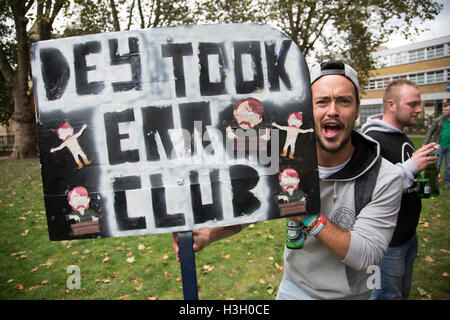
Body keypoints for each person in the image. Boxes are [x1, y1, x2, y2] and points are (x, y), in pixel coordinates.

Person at [172, 60, 403, 299]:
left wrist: (305, 213)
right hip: (295, 288)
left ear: (356, 110)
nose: (332, 110)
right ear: (306, 110)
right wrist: (208, 235)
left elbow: (365, 254)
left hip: (351, 295)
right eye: (321, 101)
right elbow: (254, 204)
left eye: (344, 101)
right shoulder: (283, 158)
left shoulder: (385, 177)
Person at [362, 79, 438, 300]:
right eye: (412, 104)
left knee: (401, 294)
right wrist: (411, 167)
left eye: (419, 103)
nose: (419, 109)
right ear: (391, 105)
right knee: (382, 296)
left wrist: (421, 177)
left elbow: (405, 179)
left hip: (407, 235)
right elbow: (369, 189)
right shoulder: (372, 140)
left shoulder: (403, 137)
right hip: (385, 245)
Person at [424, 102, 450, 188]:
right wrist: (425, 144)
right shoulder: (438, 120)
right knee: (437, 165)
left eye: (447, 110)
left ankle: (447, 182)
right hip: (439, 146)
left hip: (449, 147)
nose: (444, 111)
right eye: (444, 109)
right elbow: (430, 132)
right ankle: (435, 183)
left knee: (449, 165)